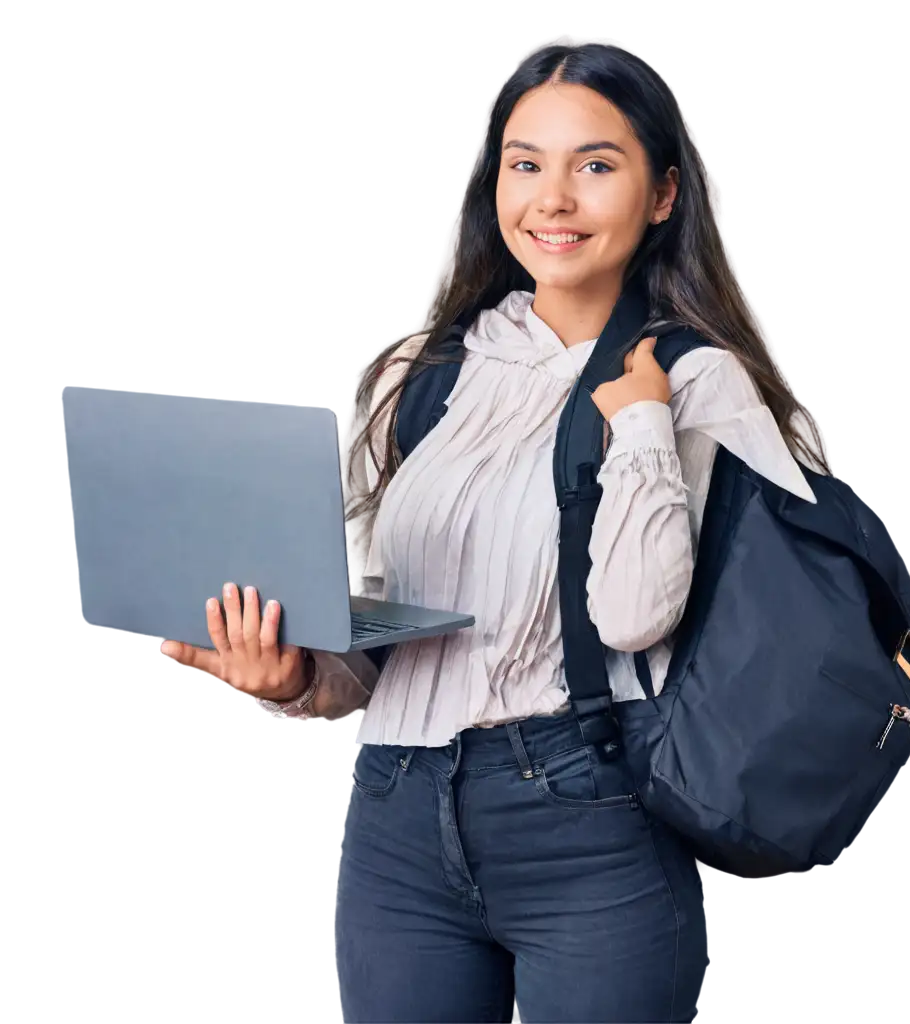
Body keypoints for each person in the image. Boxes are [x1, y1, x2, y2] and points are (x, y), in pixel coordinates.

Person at [157, 42, 826, 1024]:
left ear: (661, 196)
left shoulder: (697, 384)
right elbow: (388, 640)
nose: (551, 198)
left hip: (594, 820)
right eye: (526, 164)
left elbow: (638, 618)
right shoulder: (419, 376)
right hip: (395, 821)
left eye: (594, 165)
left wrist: (638, 424)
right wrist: (296, 678)